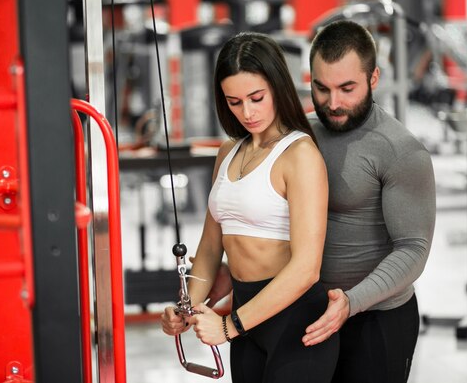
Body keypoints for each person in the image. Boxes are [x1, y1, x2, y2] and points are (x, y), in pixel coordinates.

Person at [161, 32, 339, 383]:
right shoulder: (228, 152)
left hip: (296, 324)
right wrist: (185, 308)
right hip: (246, 321)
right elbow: (210, 249)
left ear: (277, 87)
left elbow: (306, 268)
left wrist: (229, 325)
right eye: (234, 101)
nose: (247, 112)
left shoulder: (299, 154)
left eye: (257, 98)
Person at [302, 20, 436, 383]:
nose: (334, 103)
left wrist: (351, 302)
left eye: (347, 88)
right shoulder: (300, 135)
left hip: (376, 320)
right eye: (322, 88)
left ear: (373, 79)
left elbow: (412, 249)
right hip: (309, 315)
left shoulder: (400, 150)